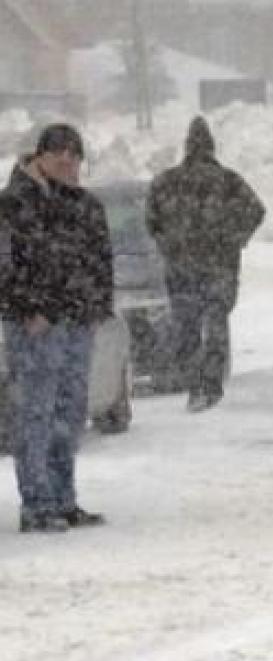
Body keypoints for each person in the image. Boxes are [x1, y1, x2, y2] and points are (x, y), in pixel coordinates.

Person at [0, 124, 112, 533]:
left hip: (76, 321)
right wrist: (30, 307)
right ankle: (37, 504)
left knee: (69, 413)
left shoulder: (83, 205)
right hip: (35, 327)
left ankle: (64, 499)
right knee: (36, 412)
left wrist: (99, 305)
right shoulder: (14, 204)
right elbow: (7, 266)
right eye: (59, 152)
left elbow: (98, 259)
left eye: (75, 154)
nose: (68, 160)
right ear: (40, 157)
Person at [146, 116, 265, 413]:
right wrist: (236, 239)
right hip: (219, 268)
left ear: (186, 148)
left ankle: (195, 383)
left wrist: (169, 244)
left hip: (181, 269)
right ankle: (210, 384)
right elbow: (257, 210)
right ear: (212, 148)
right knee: (215, 325)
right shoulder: (229, 181)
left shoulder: (165, 182)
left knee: (187, 328)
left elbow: (150, 220)